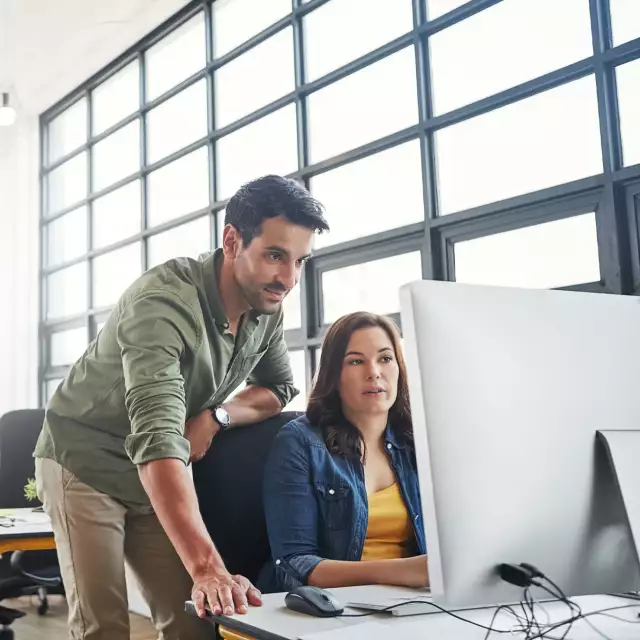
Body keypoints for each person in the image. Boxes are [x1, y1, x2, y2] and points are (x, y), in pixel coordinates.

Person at [33, 175, 329, 639]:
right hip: (85, 460)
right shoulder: (163, 304)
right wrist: (208, 566)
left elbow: (278, 387)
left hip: (158, 472)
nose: (289, 279)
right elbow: (158, 440)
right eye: (275, 255)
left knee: (194, 623)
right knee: (104, 628)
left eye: (299, 261)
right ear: (232, 240)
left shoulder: (264, 305)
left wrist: (217, 416)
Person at [257, 311, 428, 594]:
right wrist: (406, 571)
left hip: (413, 601)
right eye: (356, 361)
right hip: (332, 606)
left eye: (385, 358)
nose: (374, 372)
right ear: (334, 375)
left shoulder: (417, 442)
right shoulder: (300, 441)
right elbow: (294, 563)